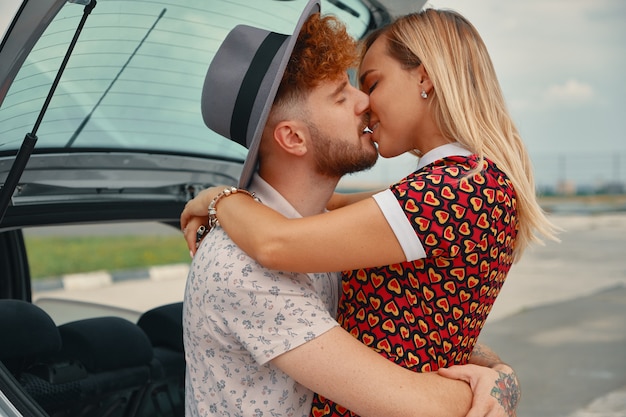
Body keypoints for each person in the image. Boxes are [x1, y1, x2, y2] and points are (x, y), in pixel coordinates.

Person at [181, 5, 555, 416]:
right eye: (344, 94)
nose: (364, 101)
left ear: (426, 78)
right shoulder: (245, 263)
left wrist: (497, 373)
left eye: (369, 83)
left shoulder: (450, 189)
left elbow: (410, 323)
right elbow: (422, 388)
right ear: (292, 137)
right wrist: (222, 199)